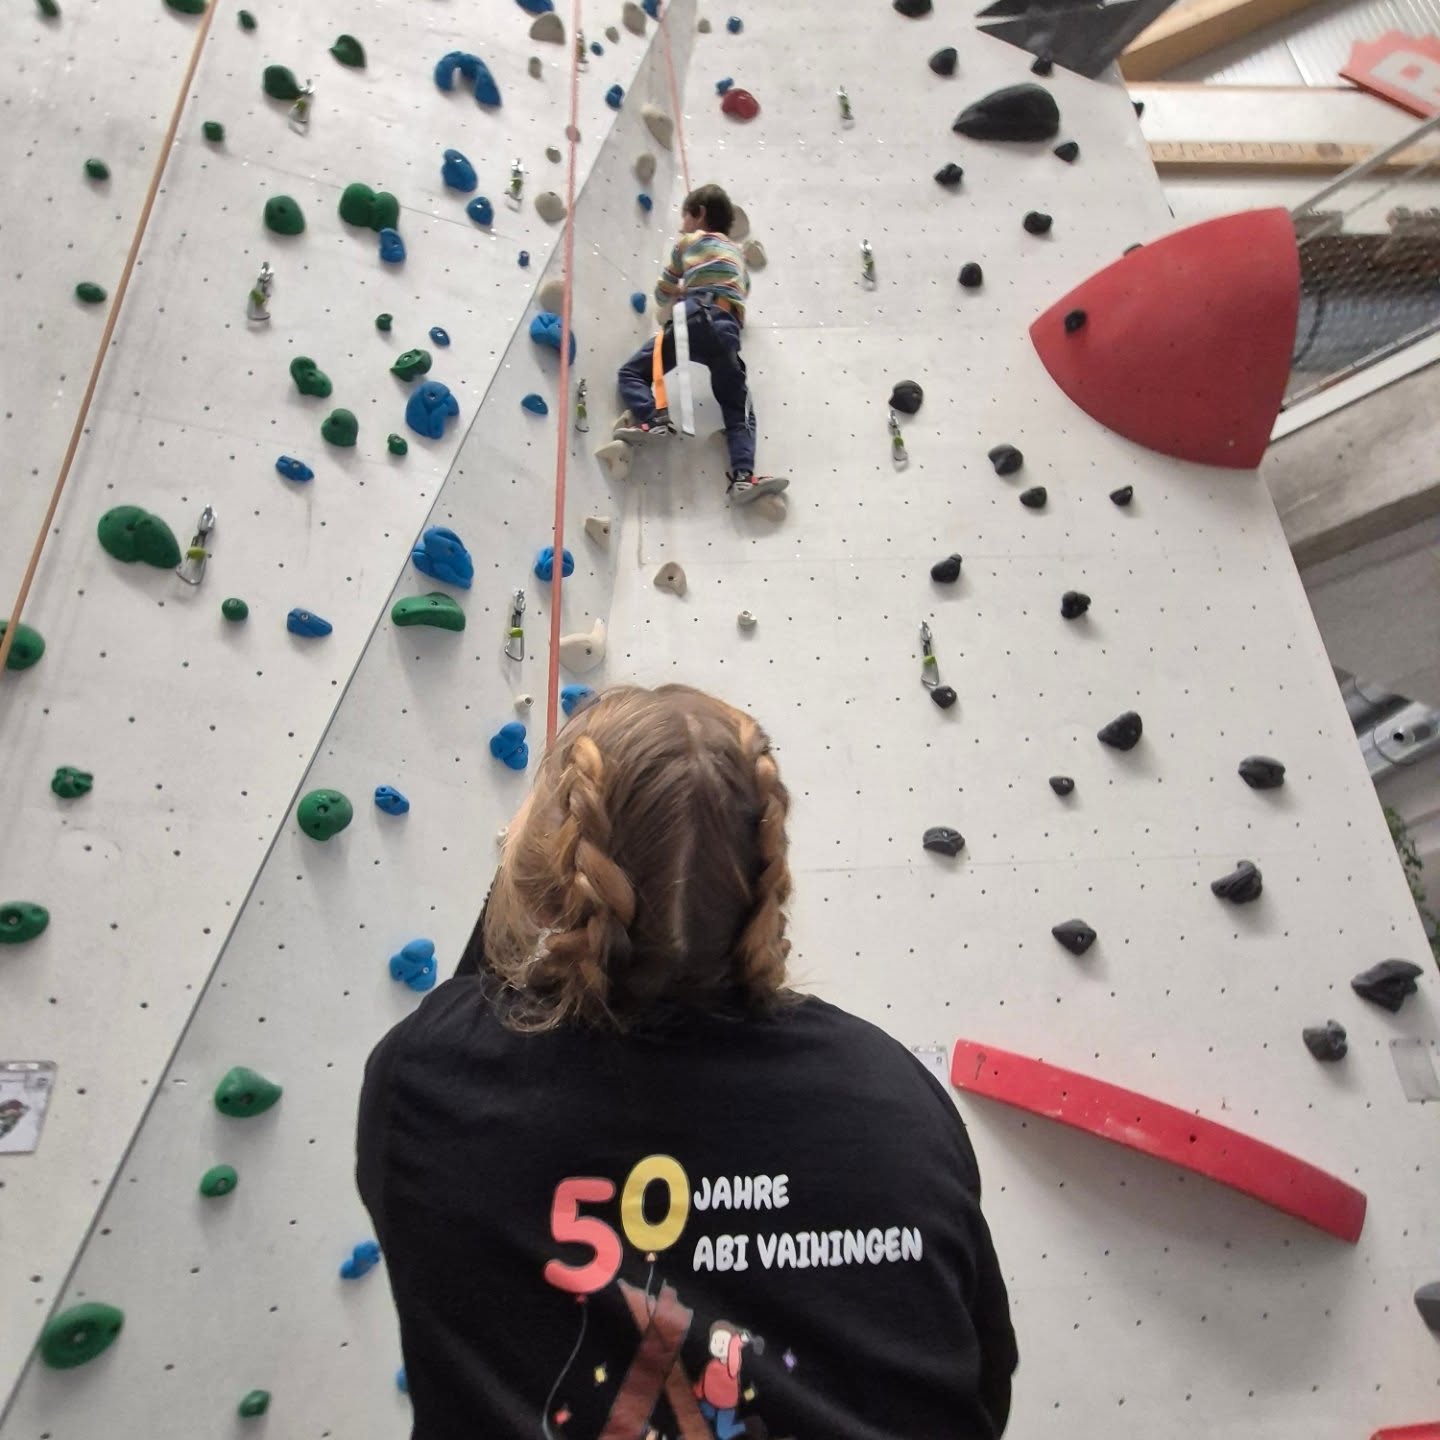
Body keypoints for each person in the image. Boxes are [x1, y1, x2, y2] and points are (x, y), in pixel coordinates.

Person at [357, 685, 1017, 1440]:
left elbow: (486, 1009)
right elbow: (982, 1386)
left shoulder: (429, 1077)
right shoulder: (894, 1092)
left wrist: (522, 873)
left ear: (550, 869)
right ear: (764, 874)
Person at [614, 184, 789, 506]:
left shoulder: (689, 242)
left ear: (699, 214)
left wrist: (677, 292)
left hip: (693, 318)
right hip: (726, 331)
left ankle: (653, 419)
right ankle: (742, 477)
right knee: (738, 408)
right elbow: (739, 292)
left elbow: (663, 291)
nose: (682, 226)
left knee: (631, 372)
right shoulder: (738, 256)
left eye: (685, 217)